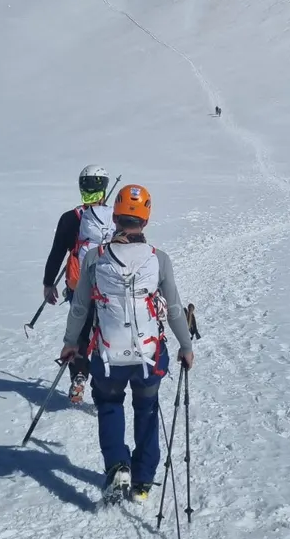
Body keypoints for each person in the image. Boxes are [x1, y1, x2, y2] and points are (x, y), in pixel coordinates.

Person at [60, 183, 194, 502]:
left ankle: (117, 466)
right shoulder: (158, 259)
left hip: (107, 356)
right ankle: (143, 483)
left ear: (116, 218)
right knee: (146, 409)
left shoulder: (95, 257)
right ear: (145, 221)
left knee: (109, 405)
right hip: (149, 356)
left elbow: (80, 307)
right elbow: (174, 308)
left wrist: (70, 343)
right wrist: (186, 346)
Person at [42, 164, 115, 403]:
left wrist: (48, 283)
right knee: (107, 336)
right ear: (104, 187)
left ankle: (79, 376)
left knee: (80, 334)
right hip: (110, 289)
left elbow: (57, 252)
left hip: (78, 286)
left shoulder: (71, 218)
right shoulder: (116, 217)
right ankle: (104, 386)